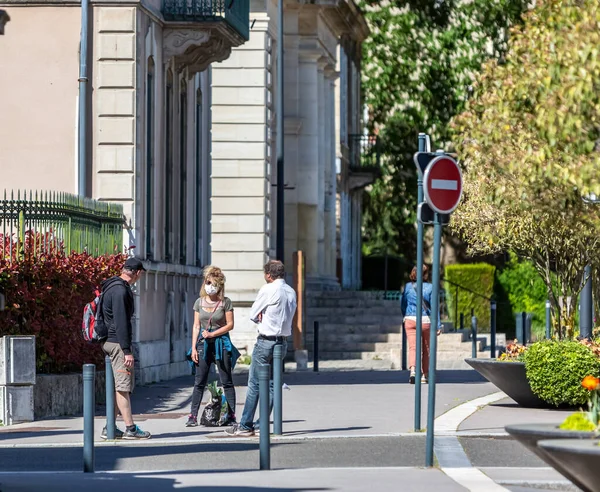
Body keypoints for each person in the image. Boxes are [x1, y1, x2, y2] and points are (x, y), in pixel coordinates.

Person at [225, 260, 297, 437]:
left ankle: (245, 425)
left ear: (268, 275)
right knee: (273, 385)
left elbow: (253, 314)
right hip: (283, 342)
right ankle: (261, 424)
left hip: (265, 341)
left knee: (255, 384)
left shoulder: (268, 289)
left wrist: (261, 317)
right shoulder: (291, 291)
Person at [101, 257, 151, 440]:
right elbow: (121, 322)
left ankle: (110, 427)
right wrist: (127, 351)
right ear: (137, 273)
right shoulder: (120, 291)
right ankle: (130, 428)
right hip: (117, 343)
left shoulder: (111, 285)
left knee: (118, 386)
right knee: (123, 387)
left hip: (109, 340)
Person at [186, 266, 238, 427]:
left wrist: (213, 334)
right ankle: (192, 416)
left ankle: (231, 414)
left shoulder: (225, 303)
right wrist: (193, 347)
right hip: (203, 344)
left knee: (226, 380)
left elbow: (230, 325)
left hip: (221, 343)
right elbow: (196, 326)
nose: (210, 286)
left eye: (213, 283)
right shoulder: (199, 303)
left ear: (219, 286)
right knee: (199, 381)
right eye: (208, 282)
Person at [400, 265, 440, 385]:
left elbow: (403, 304)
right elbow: (434, 307)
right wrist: (438, 325)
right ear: (425, 275)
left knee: (413, 347)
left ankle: (413, 371)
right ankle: (424, 375)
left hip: (410, 319)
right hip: (425, 320)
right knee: (426, 349)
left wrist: (405, 315)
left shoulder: (407, 287)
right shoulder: (430, 287)